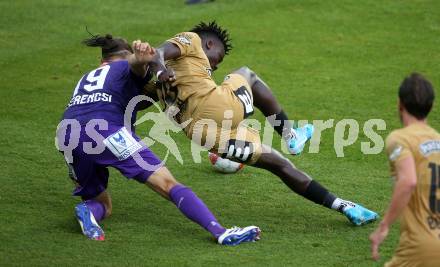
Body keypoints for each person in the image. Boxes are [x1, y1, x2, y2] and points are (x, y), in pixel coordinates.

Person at [148, 21, 378, 226]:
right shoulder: (193, 39)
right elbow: (157, 52)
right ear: (209, 44)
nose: (216, 66)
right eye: (218, 57)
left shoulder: (159, 78)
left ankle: (344, 206)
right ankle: (291, 135)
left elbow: (147, 77)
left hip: (201, 134)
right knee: (247, 74)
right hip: (215, 108)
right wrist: (159, 70)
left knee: (279, 164)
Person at [55, 33, 260, 245]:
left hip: (67, 134)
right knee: (168, 184)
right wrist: (143, 56)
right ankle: (221, 232)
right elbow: (137, 63)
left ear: (102, 60)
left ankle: (88, 210)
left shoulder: (87, 77)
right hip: (107, 131)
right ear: (126, 55)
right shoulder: (126, 66)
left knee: (102, 203)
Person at [369, 73, 440, 266]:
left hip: (421, 247)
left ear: (400, 104)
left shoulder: (400, 139)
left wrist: (384, 226)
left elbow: (408, 181)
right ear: (431, 106)